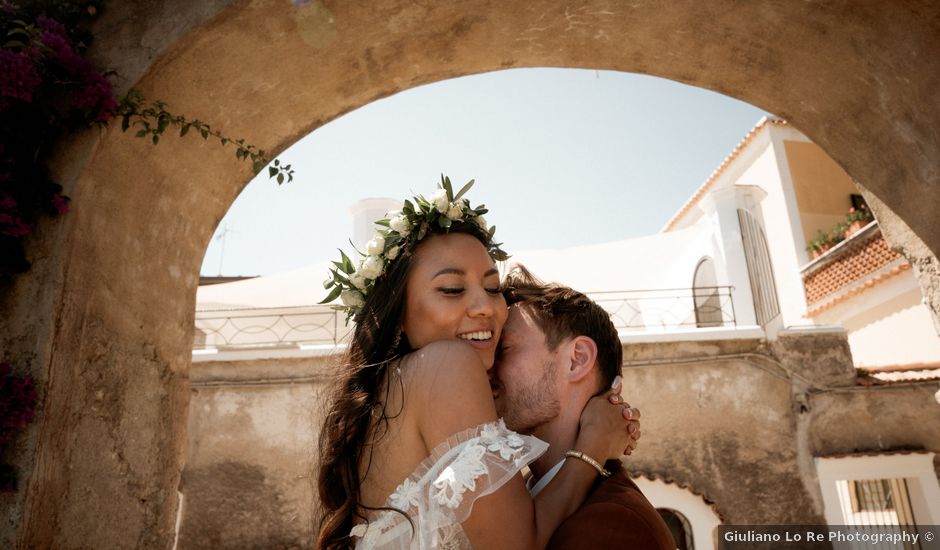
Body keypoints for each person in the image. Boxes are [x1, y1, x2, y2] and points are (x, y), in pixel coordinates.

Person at [316, 177, 639, 549]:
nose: (485, 306)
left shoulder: (392, 388)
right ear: (398, 313)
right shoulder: (447, 364)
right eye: (452, 289)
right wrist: (594, 445)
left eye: (492, 288)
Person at [495, 266, 676, 549]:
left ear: (577, 360)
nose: (488, 368)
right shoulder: (518, 497)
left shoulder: (615, 525)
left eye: (503, 349)